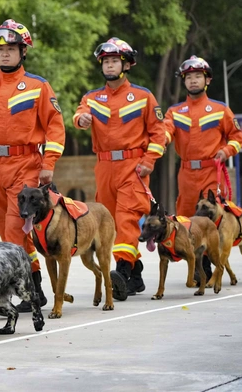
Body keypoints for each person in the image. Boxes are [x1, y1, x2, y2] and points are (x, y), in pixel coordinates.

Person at [0, 19, 65, 310]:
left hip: (25, 163)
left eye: (11, 49)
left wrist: (48, 162)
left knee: (15, 230)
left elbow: (55, 127)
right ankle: (35, 290)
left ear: (23, 51)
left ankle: (28, 291)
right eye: (0, 49)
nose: (4, 54)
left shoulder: (38, 86)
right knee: (8, 233)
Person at [72, 38, 165, 300]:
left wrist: (148, 162)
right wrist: (81, 119)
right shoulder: (92, 97)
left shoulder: (143, 96)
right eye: (106, 61)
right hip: (103, 167)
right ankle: (135, 276)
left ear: (126, 64)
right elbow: (78, 115)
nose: (110, 65)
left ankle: (122, 274)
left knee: (126, 219)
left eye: (114, 60)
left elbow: (159, 133)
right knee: (110, 222)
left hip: (133, 167)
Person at [164, 56, 242, 276]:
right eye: (188, 77)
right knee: (188, 217)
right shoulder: (175, 111)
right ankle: (196, 263)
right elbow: (166, 130)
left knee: (211, 217)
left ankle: (209, 264)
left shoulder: (220, 109)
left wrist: (226, 151)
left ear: (207, 80)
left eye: (198, 76)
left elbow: (237, 137)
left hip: (212, 170)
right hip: (187, 172)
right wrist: (161, 139)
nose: (193, 81)